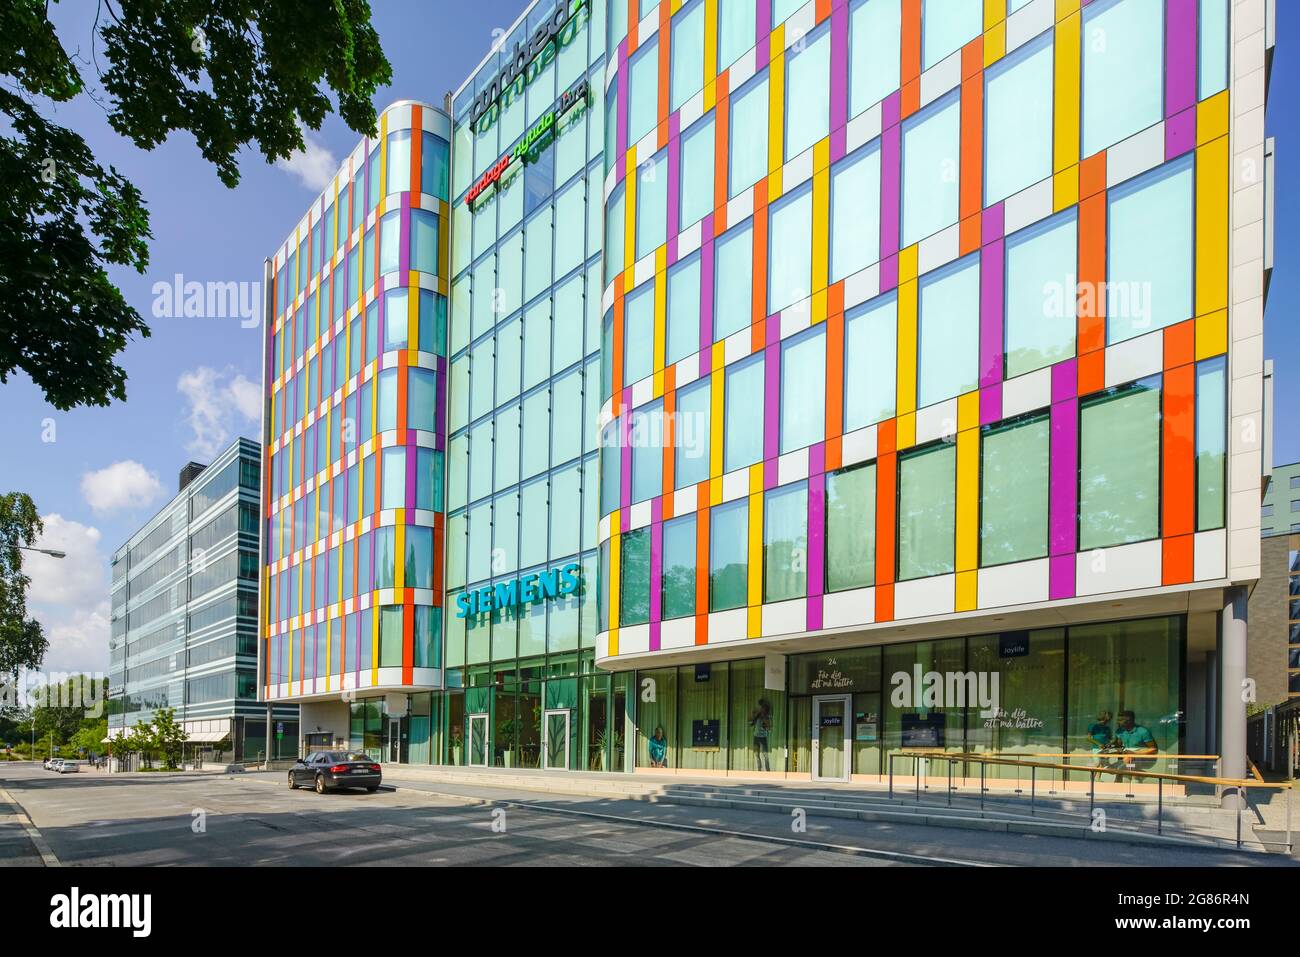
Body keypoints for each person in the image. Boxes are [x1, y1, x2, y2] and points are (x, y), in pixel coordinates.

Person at [749, 699, 772, 772]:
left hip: (763, 737)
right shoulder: (757, 717)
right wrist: (753, 715)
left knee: (765, 754)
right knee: (756, 754)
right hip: (756, 736)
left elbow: (769, 728)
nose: (761, 710)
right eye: (761, 709)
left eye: (763, 709)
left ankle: (767, 769)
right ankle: (759, 768)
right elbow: (751, 723)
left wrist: (765, 721)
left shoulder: (767, 717)